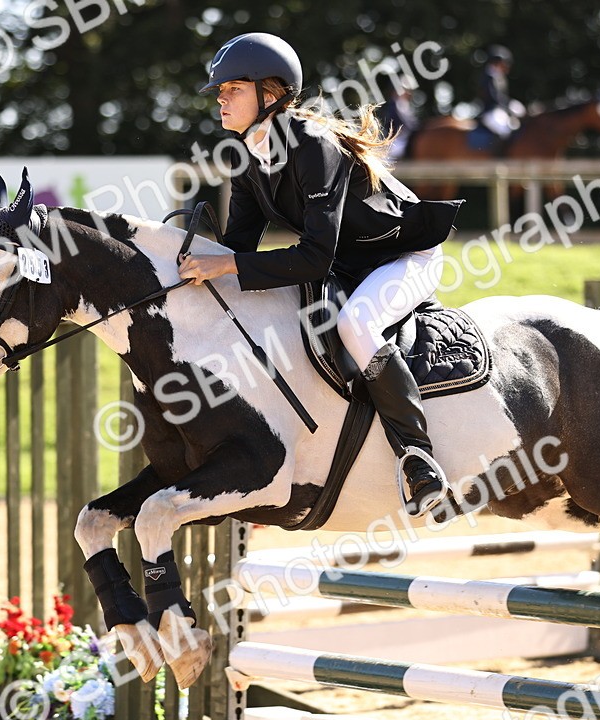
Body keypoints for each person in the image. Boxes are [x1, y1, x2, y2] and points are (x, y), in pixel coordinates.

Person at [178, 32, 462, 517]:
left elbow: (311, 259)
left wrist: (226, 263)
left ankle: (418, 459)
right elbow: (239, 250)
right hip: (347, 260)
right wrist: (192, 254)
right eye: (219, 92)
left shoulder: (313, 145)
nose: (221, 99)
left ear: (271, 93)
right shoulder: (246, 158)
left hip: (402, 255)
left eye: (233, 90)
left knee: (355, 324)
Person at [476, 45, 523, 143]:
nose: (506, 67)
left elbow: (503, 97)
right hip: (491, 112)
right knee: (505, 131)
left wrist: (510, 105)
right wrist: (508, 106)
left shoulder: (499, 77)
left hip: (500, 110)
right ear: (497, 62)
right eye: (504, 63)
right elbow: (494, 98)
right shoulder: (488, 77)